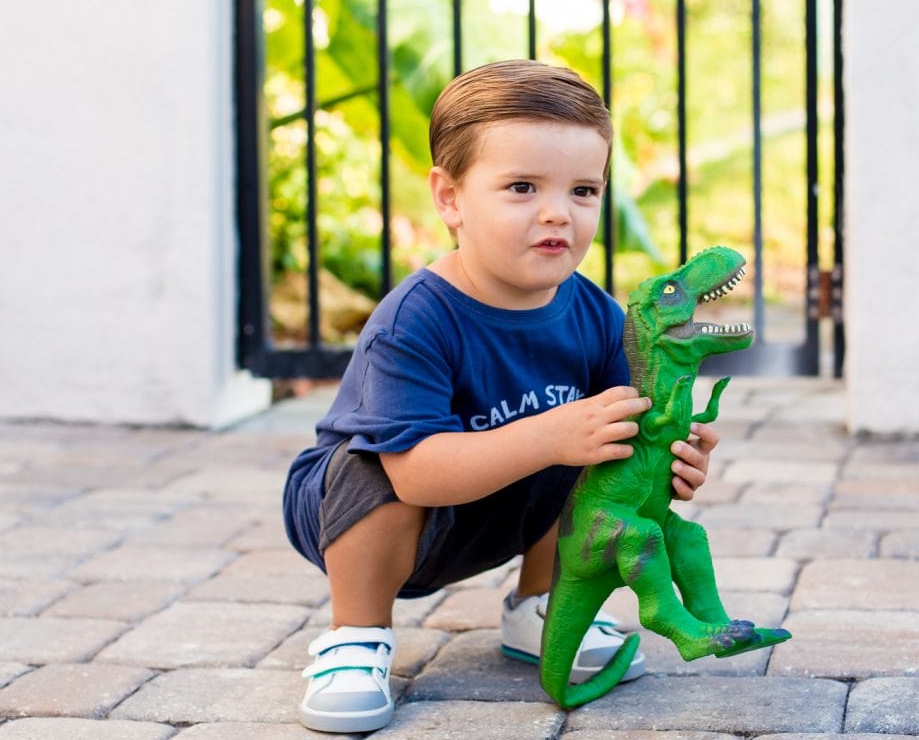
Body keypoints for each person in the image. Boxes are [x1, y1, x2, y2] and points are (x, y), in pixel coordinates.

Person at [282, 59, 721, 734]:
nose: (558, 213)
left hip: (503, 504)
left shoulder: (598, 317)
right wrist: (550, 435)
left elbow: (625, 441)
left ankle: (539, 606)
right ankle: (356, 636)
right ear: (450, 197)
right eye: (522, 187)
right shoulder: (416, 319)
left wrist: (673, 459)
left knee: (600, 438)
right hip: (371, 515)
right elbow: (414, 473)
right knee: (373, 461)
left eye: (583, 190)